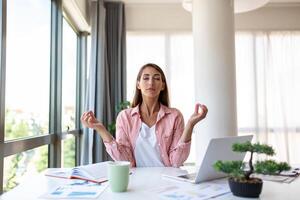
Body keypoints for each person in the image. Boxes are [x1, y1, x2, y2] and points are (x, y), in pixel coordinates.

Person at [81, 63, 208, 168]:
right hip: (137, 180)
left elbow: (176, 161)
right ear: (138, 84)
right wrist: (100, 129)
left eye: (157, 78)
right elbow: (125, 161)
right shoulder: (125, 117)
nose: (151, 82)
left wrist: (190, 125)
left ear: (162, 85)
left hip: (168, 181)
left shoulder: (174, 116)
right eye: (146, 78)